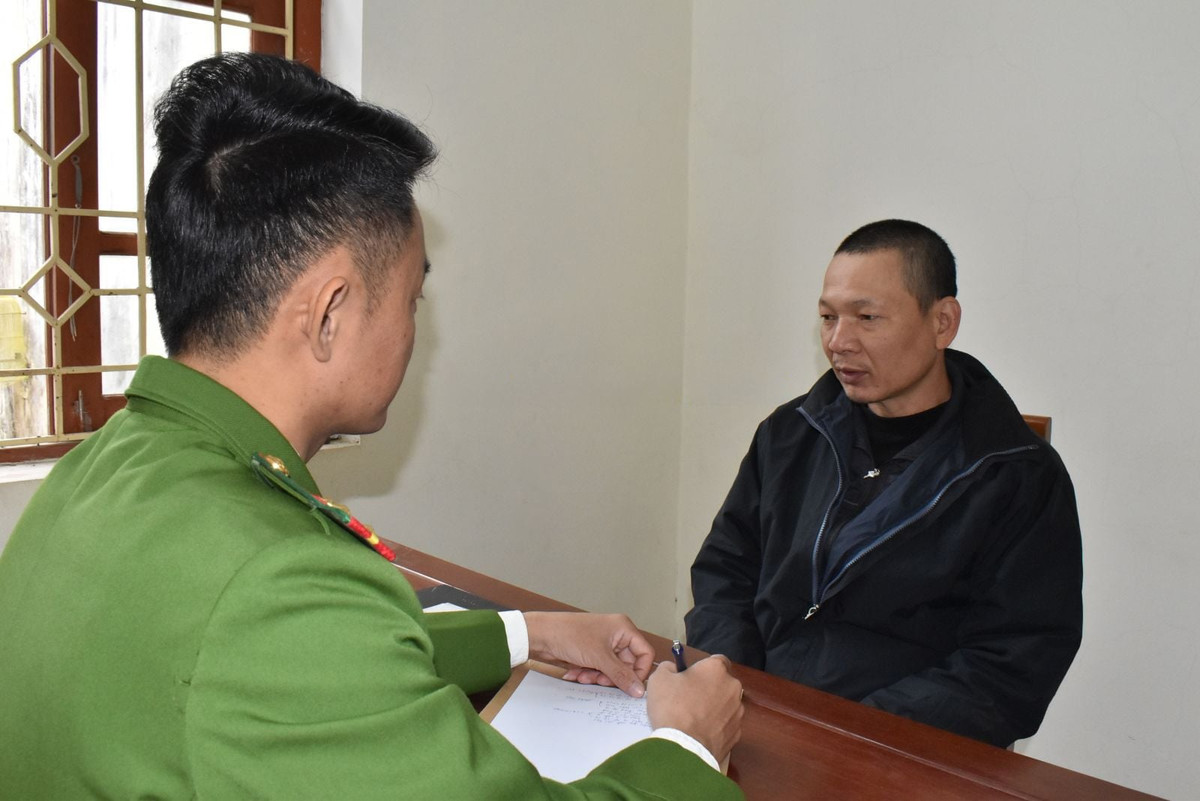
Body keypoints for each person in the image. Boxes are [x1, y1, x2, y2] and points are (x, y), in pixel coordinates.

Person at [0, 53, 744, 799]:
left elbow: (284, 663)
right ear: (330, 314)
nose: (419, 331)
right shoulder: (278, 583)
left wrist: (529, 633)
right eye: (412, 298)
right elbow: (286, 639)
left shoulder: (104, 465)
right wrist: (686, 743)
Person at [685, 219, 1082, 748]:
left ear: (943, 322)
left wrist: (854, 733)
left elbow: (1010, 664)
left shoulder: (1015, 474)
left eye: (867, 318)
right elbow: (726, 566)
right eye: (827, 317)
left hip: (894, 746)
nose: (838, 342)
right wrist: (733, 678)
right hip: (756, 714)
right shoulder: (791, 432)